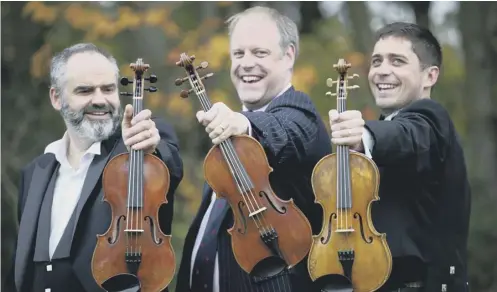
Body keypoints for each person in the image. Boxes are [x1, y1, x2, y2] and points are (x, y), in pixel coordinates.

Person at [175, 6, 332, 292]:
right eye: (239, 54)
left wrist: (242, 122)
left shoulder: (301, 113)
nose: (246, 63)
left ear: (288, 56)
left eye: (259, 53)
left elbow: (284, 131)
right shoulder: (229, 139)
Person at [6, 43, 183, 292]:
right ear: (56, 98)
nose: (99, 100)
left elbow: (169, 165)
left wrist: (152, 150)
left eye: (108, 89)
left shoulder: (136, 148)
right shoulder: (35, 172)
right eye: (85, 90)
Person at [328, 22, 471, 292]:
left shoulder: (431, 119)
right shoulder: (385, 130)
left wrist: (364, 134)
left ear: (430, 76)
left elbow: (408, 136)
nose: (382, 70)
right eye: (377, 61)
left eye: (397, 61)